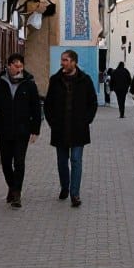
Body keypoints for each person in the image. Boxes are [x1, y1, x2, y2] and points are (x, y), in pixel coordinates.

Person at [0, 53, 42, 209]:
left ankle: (17, 193)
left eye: (21, 65)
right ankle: (12, 185)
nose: (18, 68)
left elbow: (36, 107)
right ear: (8, 66)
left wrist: (36, 129)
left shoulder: (28, 84)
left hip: (22, 130)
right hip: (4, 129)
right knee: (6, 162)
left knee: (20, 161)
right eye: (15, 65)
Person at [43, 50, 98, 207]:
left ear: (74, 62)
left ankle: (75, 193)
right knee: (62, 161)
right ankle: (65, 187)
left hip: (78, 129)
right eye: (62, 60)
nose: (62, 63)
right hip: (60, 128)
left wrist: (86, 120)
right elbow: (48, 104)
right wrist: (52, 122)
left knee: (76, 160)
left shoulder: (85, 80)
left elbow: (92, 103)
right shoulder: (55, 80)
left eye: (65, 60)